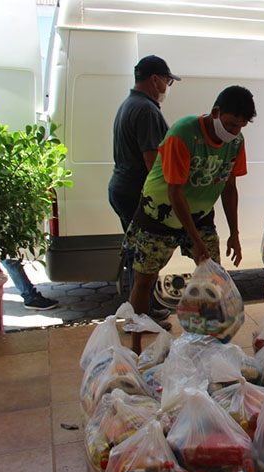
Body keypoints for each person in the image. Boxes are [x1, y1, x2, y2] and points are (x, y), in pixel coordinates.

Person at [123, 86, 256, 353]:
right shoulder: (183, 133)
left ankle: (212, 345)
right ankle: (135, 347)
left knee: (213, 279)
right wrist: (195, 241)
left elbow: (229, 188)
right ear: (216, 112)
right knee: (145, 280)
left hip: (200, 213)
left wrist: (235, 234)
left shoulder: (235, 142)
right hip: (159, 213)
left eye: (240, 127)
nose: (233, 132)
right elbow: (175, 190)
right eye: (230, 124)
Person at [110, 55, 179, 323]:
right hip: (135, 192)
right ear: (155, 79)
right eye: (168, 80)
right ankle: (140, 316)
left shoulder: (131, 104)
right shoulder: (147, 110)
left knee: (138, 254)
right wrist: (169, 196)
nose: (167, 86)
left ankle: (144, 309)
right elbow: (153, 163)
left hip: (122, 187)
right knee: (143, 256)